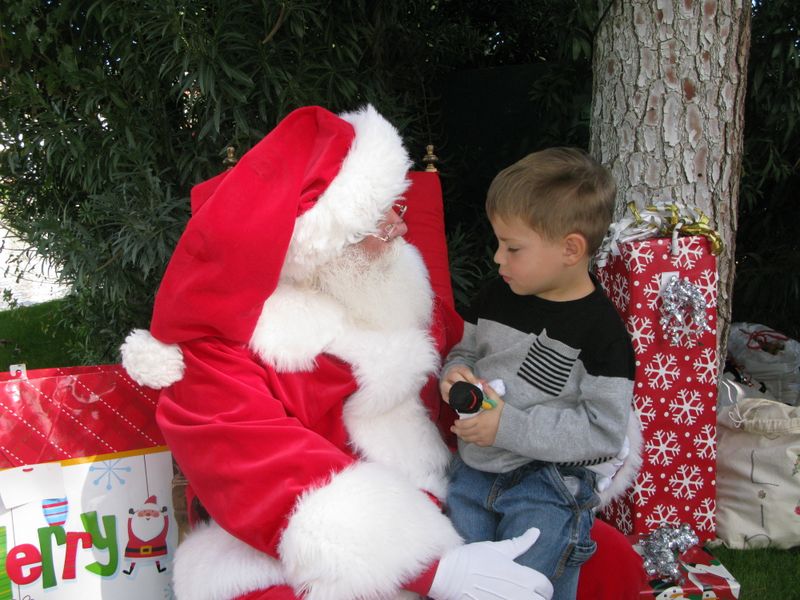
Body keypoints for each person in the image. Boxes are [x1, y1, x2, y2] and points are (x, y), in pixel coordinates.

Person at [119, 104, 554, 600]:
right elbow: (267, 475)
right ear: (323, 238)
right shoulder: (220, 350)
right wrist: (431, 568)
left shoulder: (397, 294)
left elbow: (483, 362)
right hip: (286, 551)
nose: (402, 230)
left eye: (400, 209)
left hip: (453, 499)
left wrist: (561, 421)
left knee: (591, 553)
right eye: (381, 217)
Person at [439, 148, 641, 600]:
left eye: (512, 247)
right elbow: (466, 349)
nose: (497, 258)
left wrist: (507, 425)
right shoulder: (499, 294)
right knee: (463, 584)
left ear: (571, 249)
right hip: (473, 472)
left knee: (523, 587)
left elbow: (603, 433)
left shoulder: (603, 335)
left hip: (547, 487)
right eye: (498, 243)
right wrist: (457, 374)